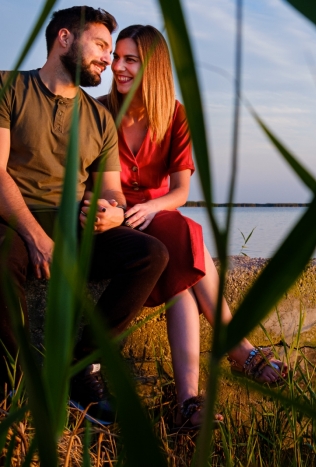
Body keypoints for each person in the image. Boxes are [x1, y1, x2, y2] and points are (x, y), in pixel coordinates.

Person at [102, 24, 288, 430]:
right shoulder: (99, 111)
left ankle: (190, 399)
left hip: (156, 213)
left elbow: (181, 191)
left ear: (152, 65)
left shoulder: (174, 113)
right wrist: (122, 211)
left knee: (182, 235)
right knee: (186, 252)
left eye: (130, 59)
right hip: (114, 219)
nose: (118, 66)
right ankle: (233, 352)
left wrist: (151, 207)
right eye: (116, 57)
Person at [0, 7, 170, 424]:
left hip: (74, 220)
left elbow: (111, 189)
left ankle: (81, 370)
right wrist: (35, 238)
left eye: (110, 51)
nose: (107, 60)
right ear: (64, 39)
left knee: (150, 254)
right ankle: (17, 384)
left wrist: (112, 213)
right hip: (14, 218)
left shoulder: (99, 119)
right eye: (100, 46)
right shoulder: (8, 86)